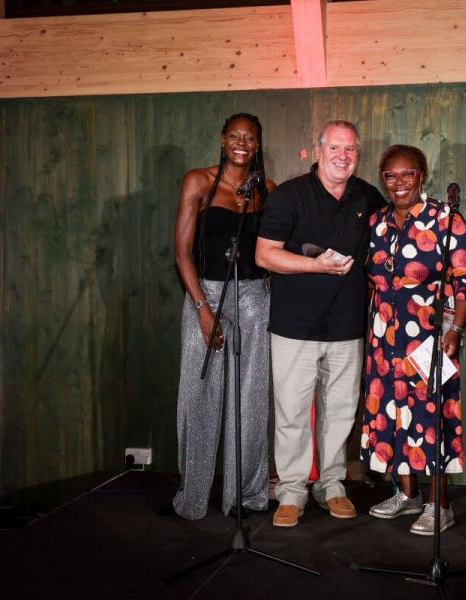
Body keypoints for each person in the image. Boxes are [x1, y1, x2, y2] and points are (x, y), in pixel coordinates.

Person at [255, 120, 387, 528]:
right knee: (292, 412)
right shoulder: (289, 196)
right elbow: (265, 255)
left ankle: (332, 485)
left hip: (347, 328)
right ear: (318, 150)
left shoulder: (367, 195)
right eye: (335, 148)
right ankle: (292, 492)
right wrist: (314, 265)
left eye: (350, 150)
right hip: (294, 327)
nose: (342, 157)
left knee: (342, 412)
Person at [360, 144, 466, 535]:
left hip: (428, 337)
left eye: (407, 174)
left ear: (422, 176)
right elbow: (371, 278)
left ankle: (439, 505)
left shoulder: (445, 220)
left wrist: (456, 332)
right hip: (383, 339)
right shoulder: (377, 222)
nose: (399, 183)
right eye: (390, 176)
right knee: (393, 416)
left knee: (431, 419)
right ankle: (408, 495)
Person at [170, 113, 275, 519]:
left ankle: (247, 495)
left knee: (250, 399)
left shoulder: (268, 189)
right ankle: (193, 495)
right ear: (223, 139)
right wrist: (202, 310)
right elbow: (181, 252)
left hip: (254, 297)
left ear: (258, 143)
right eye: (235, 136)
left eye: (250, 137)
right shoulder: (198, 180)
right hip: (207, 293)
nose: (242, 143)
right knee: (200, 397)